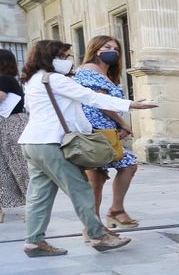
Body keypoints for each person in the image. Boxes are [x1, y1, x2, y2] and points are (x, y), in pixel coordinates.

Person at [17, 39, 156, 257]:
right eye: (62, 56)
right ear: (48, 57)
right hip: (50, 142)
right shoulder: (54, 79)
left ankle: (34, 241)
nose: (67, 61)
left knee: (39, 194)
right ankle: (98, 235)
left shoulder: (33, 80)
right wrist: (130, 105)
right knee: (80, 189)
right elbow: (91, 97)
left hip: (32, 143)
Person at [74, 35, 143, 233]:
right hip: (94, 131)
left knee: (121, 167)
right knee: (96, 177)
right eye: (107, 47)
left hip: (106, 131)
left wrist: (118, 127)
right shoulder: (88, 70)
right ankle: (95, 226)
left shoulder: (106, 74)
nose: (113, 51)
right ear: (96, 49)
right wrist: (123, 123)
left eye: (115, 48)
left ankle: (114, 212)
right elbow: (100, 101)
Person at [0, 48, 27, 223]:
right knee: (9, 168)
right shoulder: (10, 79)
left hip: (11, 126)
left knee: (20, 166)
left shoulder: (4, 79)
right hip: (10, 125)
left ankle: (34, 205)